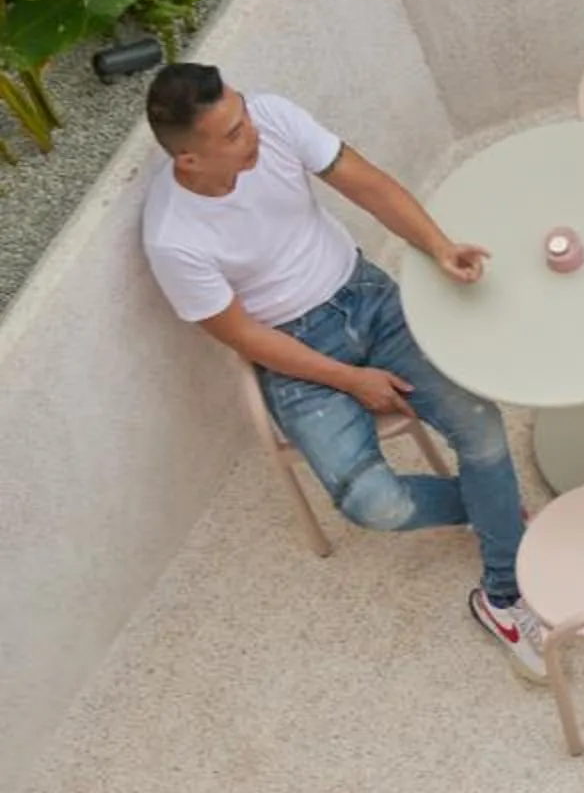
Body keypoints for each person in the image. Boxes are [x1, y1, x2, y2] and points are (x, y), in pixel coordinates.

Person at [138, 64, 543, 676]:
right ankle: (497, 511)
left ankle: (502, 594)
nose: (253, 132)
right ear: (189, 160)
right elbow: (242, 336)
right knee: (369, 504)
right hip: (290, 350)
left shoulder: (272, 118)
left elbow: (367, 184)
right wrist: (350, 380)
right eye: (233, 133)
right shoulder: (172, 238)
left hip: (364, 296)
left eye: (244, 113)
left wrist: (438, 245)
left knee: (481, 426)